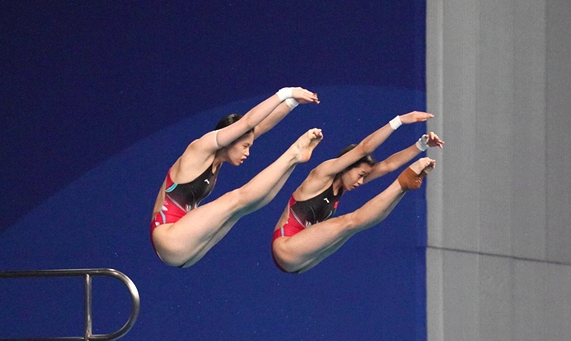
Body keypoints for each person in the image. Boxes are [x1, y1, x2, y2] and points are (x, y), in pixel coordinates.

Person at [151, 87, 321, 268]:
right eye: (245, 146)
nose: (247, 152)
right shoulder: (200, 148)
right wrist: (286, 93)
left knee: (242, 208)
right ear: (231, 139)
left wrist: (292, 103)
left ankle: (292, 161)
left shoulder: (217, 159)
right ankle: (293, 154)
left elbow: (260, 127)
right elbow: (248, 122)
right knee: (234, 199)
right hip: (169, 237)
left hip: (186, 249)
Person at [270, 111, 444, 274]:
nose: (361, 182)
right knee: (348, 222)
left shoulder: (344, 185)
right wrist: (399, 121)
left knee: (354, 227)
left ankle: (404, 186)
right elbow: (364, 148)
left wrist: (421, 145)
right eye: (360, 175)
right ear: (347, 166)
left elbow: (387, 166)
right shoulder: (323, 173)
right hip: (286, 248)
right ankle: (403, 182)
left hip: (303, 261)